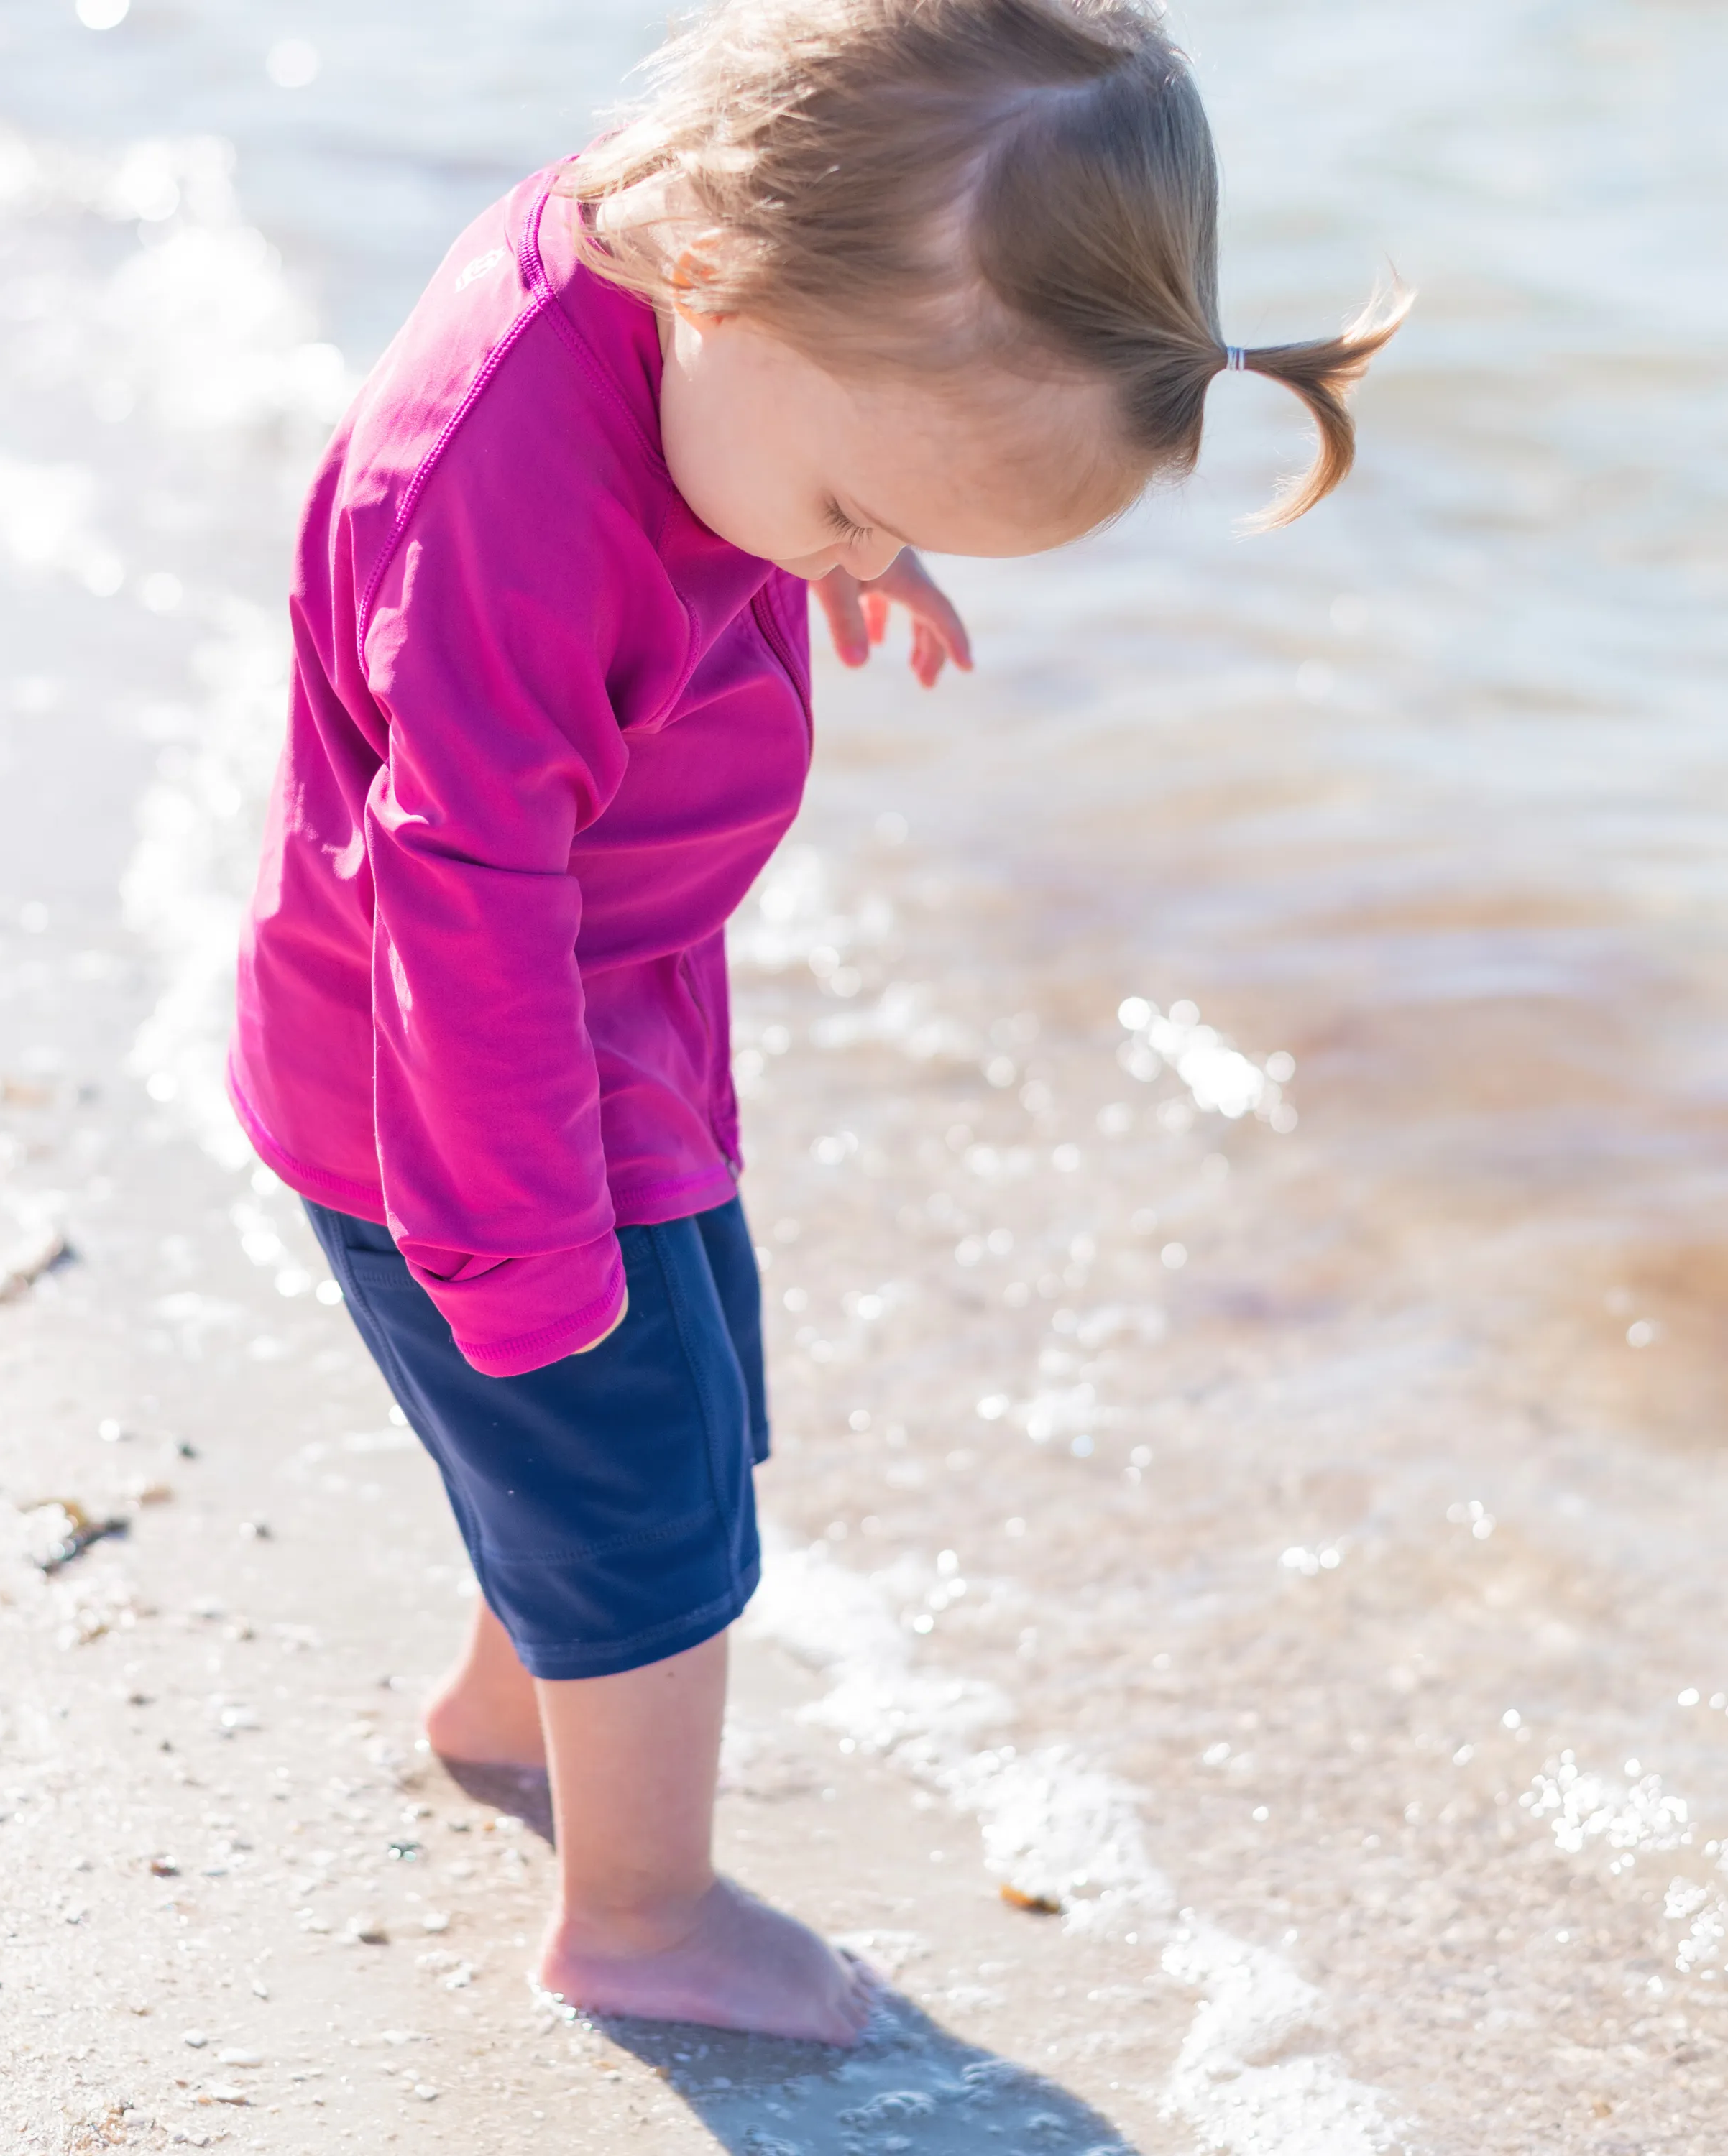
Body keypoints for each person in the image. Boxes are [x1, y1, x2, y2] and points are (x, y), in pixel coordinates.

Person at [230, 0, 1401, 2045]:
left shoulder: (699, 295)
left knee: (687, 1414)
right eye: (859, 504)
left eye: (890, 525)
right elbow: (459, 885)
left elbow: (750, 442)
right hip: (453, 1085)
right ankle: (640, 1915)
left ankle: (515, 1708)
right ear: (719, 282)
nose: (859, 552)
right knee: (649, 1491)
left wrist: (839, 539)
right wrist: (520, 1248)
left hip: (606, 1013)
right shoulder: (499, 488)